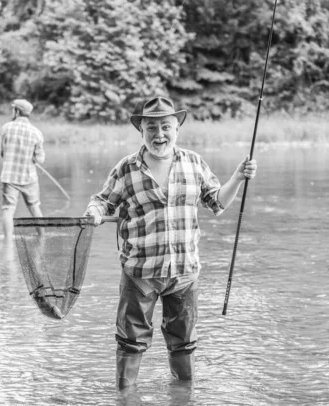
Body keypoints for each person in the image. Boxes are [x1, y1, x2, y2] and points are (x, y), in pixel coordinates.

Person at [83, 96, 258, 389]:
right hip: (140, 272)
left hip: (184, 273)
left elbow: (217, 202)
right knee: (130, 341)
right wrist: (94, 213)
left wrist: (238, 177)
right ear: (141, 130)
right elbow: (102, 202)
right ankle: (126, 395)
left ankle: (183, 393)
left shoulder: (194, 163)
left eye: (166, 127)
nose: (159, 135)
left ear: (177, 129)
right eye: (151, 128)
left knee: (184, 342)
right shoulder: (126, 168)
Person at [0, 99, 45, 239]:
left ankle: (7, 241)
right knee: (34, 207)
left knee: (8, 209)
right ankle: (42, 237)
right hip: (29, 178)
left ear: (17, 111)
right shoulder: (36, 133)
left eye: (13, 109)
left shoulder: (6, 128)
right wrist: (33, 158)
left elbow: (2, 152)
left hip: (9, 177)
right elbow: (40, 159)